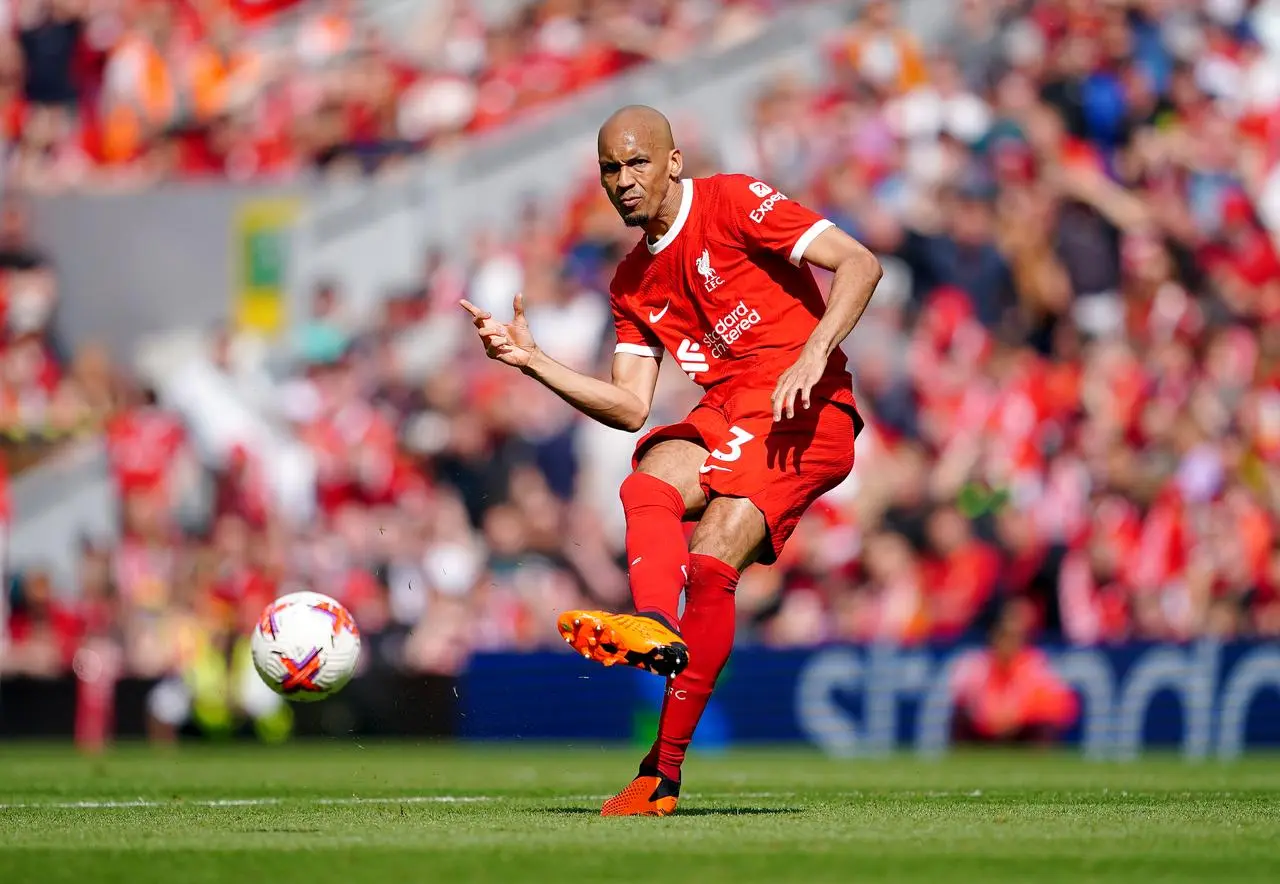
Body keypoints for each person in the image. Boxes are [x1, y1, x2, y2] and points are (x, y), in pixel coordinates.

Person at [460, 105, 882, 816]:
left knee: (713, 554)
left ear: (673, 162)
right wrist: (531, 361)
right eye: (610, 170)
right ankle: (655, 632)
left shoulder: (736, 200)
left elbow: (860, 263)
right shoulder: (631, 283)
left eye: (636, 164)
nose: (623, 182)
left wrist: (814, 351)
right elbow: (630, 406)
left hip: (802, 411)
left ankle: (665, 769)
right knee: (648, 481)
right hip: (730, 410)